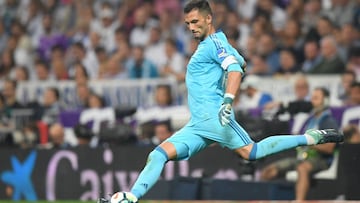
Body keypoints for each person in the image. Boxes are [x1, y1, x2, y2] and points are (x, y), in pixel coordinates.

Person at [99, 1, 344, 202]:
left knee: (252, 151)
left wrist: (227, 100)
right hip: (197, 125)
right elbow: (241, 63)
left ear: (208, 19)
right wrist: (233, 65)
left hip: (216, 118)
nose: (191, 27)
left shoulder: (213, 44)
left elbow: (236, 70)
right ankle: (130, 197)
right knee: (158, 154)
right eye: (187, 24)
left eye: (195, 21)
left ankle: (310, 138)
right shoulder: (217, 44)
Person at [260, 87, 340, 200]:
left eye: (316, 98)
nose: (313, 102)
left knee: (302, 168)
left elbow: (329, 148)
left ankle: (299, 201)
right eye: (312, 98)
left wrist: (310, 143)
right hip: (303, 157)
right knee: (270, 171)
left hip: (321, 160)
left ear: (325, 101)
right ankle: (263, 199)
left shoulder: (328, 121)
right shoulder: (311, 120)